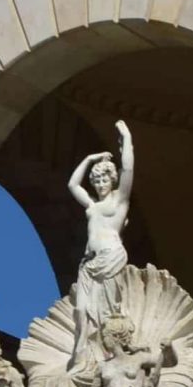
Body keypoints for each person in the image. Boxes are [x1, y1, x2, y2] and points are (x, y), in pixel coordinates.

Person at [67, 121, 133, 371]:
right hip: (89, 264)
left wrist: (126, 138)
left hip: (111, 259)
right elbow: (72, 185)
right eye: (96, 179)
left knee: (106, 313)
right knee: (81, 311)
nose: (100, 182)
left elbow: (128, 168)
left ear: (113, 178)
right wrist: (89, 158)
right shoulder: (92, 206)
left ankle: (106, 358)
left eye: (105, 177)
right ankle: (82, 355)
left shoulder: (120, 201)